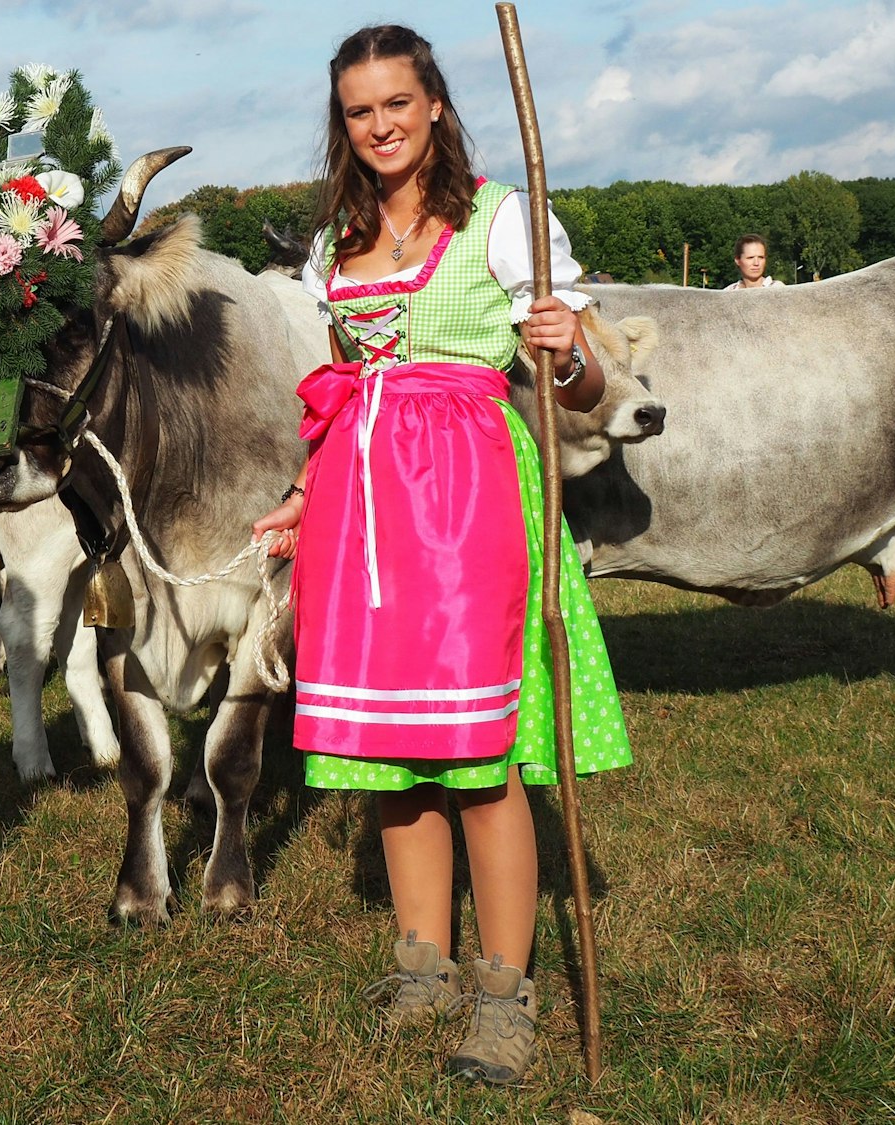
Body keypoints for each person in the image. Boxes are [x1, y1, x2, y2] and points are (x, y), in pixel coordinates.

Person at [250, 25, 632, 1085]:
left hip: (468, 501)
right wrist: (295, 498)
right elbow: (333, 397)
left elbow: (586, 390)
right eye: (357, 111)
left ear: (433, 106)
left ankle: (501, 995)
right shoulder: (336, 243)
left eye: (394, 105)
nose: (377, 126)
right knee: (387, 746)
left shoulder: (503, 221)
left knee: (478, 755)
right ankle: (420, 962)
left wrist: (567, 354)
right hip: (356, 512)